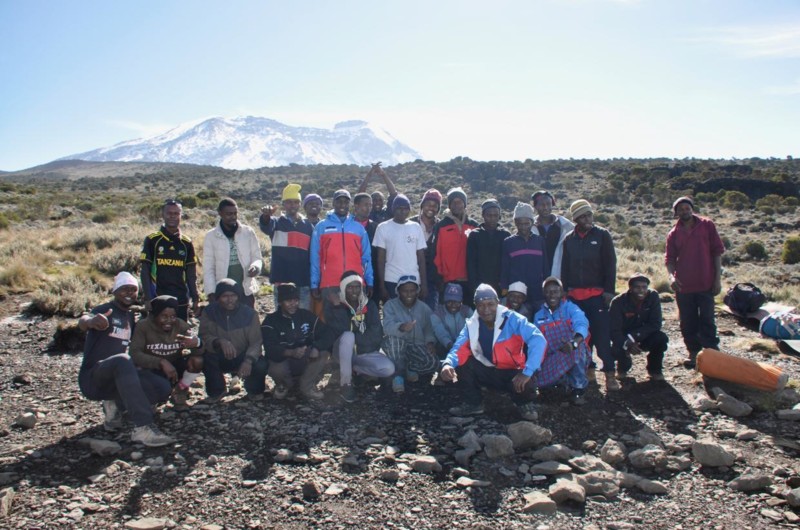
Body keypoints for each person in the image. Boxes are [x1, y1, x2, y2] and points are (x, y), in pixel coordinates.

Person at [78, 272, 175, 447]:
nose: (129, 293)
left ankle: (116, 405)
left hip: (116, 377)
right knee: (123, 360)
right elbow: (84, 320)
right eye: (124, 289)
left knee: (161, 387)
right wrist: (91, 322)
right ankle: (142, 428)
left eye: (133, 289)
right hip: (93, 378)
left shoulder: (129, 316)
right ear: (115, 291)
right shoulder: (105, 310)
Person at [439, 284, 546, 421]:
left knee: (527, 381)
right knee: (462, 364)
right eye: (481, 305)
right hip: (488, 370)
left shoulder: (513, 319)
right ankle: (473, 403)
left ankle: (524, 403)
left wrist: (528, 371)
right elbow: (459, 347)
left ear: (498, 303)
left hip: (512, 371)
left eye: (490, 304)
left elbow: (538, 339)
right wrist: (448, 364)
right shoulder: (472, 324)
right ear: (476, 306)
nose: (486, 310)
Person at [561, 199, 619, 391]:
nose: (587, 219)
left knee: (602, 336)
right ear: (575, 219)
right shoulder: (569, 239)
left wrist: (609, 291)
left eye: (589, 215)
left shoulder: (602, 235)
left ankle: (610, 374)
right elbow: (565, 267)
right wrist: (565, 291)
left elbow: (610, 264)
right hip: (575, 297)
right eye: (582, 216)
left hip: (597, 295)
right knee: (584, 335)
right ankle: (589, 369)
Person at [665, 196, 725, 368]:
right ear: (676, 213)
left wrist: (717, 279)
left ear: (692, 209)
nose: (685, 211)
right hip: (683, 286)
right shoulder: (673, 234)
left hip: (705, 282)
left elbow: (717, 252)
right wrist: (672, 277)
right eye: (680, 209)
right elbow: (670, 259)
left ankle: (712, 352)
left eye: (687, 208)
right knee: (688, 321)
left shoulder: (707, 225)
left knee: (707, 319)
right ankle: (693, 353)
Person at [324, 271, 395, 403]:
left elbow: (376, 334)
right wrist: (338, 307)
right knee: (348, 336)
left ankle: (357, 371)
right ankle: (346, 383)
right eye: (350, 287)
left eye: (357, 287)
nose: (354, 291)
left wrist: (357, 343)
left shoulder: (369, 305)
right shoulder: (334, 305)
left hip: (364, 352)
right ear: (343, 288)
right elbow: (339, 330)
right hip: (342, 353)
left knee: (388, 368)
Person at [129, 295, 203, 411]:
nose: (169, 320)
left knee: (197, 361)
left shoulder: (180, 325)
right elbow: (134, 353)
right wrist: (160, 362)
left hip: (174, 366)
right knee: (163, 389)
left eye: (173, 316)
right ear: (154, 315)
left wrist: (197, 343)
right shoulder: (143, 326)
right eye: (164, 316)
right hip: (150, 368)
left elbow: (199, 351)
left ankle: (179, 391)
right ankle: (151, 399)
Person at [199, 279, 268, 403]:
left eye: (233, 295)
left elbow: (256, 342)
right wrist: (219, 341)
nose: (230, 300)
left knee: (260, 364)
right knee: (204, 358)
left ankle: (254, 390)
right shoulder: (209, 312)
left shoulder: (250, 314)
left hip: (243, 355)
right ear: (218, 297)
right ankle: (217, 390)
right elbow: (203, 336)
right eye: (225, 296)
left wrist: (248, 360)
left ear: (238, 296)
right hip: (219, 355)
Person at [262, 283, 332, 400]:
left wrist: (316, 347)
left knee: (323, 352)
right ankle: (284, 385)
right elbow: (269, 348)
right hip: (284, 360)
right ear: (280, 302)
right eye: (288, 301)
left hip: (306, 357)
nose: (293, 304)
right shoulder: (270, 321)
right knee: (275, 368)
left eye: (296, 300)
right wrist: (290, 352)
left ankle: (307, 386)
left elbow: (327, 333)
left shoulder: (306, 316)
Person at [532, 277, 591, 405]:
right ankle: (564, 382)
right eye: (548, 292)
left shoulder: (571, 308)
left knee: (578, 348)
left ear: (562, 293)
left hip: (572, 349)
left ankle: (578, 388)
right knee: (541, 384)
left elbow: (581, 323)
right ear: (544, 294)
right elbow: (536, 342)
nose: (552, 295)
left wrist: (574, 343)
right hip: (552, 355)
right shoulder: (538, 316)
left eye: (555, 291)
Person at [310, 189, 374, 305]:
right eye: (339, 201)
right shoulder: (321, 226)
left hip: (355, 284)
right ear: (333, 203)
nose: (342, 205)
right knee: (332, 316)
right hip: (330, 284)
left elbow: (366, 258)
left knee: (356, 315)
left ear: (350, 204)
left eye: (346, 202)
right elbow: (315, 258)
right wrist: (314, 283)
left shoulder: (358, 228)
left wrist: (369, 281)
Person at [140, 199, 199, 321]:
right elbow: (145, 271)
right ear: (163, 214)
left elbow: (191, 274)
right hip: (157, 298)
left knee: (181, 331)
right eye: (169, 213)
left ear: (181, 215)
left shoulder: (186, 242)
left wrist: (195, 297)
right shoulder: (152, 240)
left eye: (176, 213)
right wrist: (148, 298)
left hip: (181, 300)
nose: (172, 216)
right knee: (157, 332)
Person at [259, 183, 315, 310]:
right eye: (289, 202)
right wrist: (266, 216)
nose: (292, 205)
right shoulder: (276, 222)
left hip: (303, 281)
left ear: (300, 204)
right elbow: (266, 226)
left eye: (295, 202)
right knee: (282, 316)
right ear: (283, 204)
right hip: (282, 280)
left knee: (302, 316)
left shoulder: (307, 226)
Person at [382, 275, 438, 393]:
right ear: (398, 291)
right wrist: (401, 327)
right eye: (405, 291)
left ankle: (409, 367)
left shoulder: (424, 308)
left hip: (416, 344)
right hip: (397, 344)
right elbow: (386, 327)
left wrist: (430, 342)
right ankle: (398, 376)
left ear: (417, 291)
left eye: (412, 291)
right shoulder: (390, 305)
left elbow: (429, 329)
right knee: (393, 341)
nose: (409, 294)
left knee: (433, 363)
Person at [203, 198, 263, 308]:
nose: (233, 217)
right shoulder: (211, 236)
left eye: (235, 213)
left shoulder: (248, 232)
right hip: (223, 292)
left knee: (248, 317)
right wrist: (211, 292)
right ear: (220, 213)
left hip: (245, 289)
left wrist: (256, 267)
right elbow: (208, 267)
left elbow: (257, 257)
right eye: (229, 214)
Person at [610, 273, 669, 381]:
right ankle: (622, 368)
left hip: (644, 335)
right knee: (616, 348)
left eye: (644, 287)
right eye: (637, 287)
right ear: (630, 288)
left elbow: (656, 323)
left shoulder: (653, 296)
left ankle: (655, 370)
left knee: (661, 339)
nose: (641, 290)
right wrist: (627, 342)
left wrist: (634, 337)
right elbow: (614, 329)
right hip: (624, 338)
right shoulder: (618, 302)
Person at [373, 194, 428, 301]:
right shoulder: (383, 227)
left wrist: (424, 284)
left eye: (405, 208)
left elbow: (421, 258)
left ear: (409, 210)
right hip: (391, 279)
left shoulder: (416, 227)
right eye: (399, 208)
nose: (402, 211)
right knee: (392, 310)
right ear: (393, 209)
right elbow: (380, 259)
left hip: (413, 280)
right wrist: (382, 285)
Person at [431, 187, 479, 300]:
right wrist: (438, 278)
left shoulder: (474, 225)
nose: (456, 205)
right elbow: (435, 253)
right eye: (453, 202)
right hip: (448, 280)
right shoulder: (441, 226)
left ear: (464, 204)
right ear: (449, 205)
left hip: (470, 281)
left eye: (460, 202)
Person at [500, 202, 548, 309]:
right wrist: (504, 288)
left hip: (537, 292)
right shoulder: (508, 242)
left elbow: (545, 267)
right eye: (520, 224)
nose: (523, 227)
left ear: (532, 222)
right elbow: (505, 268)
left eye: (526, 223)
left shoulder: (540, 241)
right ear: (515, 223)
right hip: (517, 293)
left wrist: (546, 285)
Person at [467, 198, 511, 297]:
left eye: (495, 215)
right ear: (483, 215)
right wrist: (473, 286)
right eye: (489, 215)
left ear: (499, 216)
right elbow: (471, 263)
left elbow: (508, 262)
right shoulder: (475, 235)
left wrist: (505, 284)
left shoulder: (505, 235)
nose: (492, 218)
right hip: (479, 285)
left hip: (500, 286)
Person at [410, 188, 443, 310]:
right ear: (422, 205)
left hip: (433, 278)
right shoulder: (410, 224)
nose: (431, 208)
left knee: (430, 313)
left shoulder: (441, 227)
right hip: (410, 275)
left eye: (435, 205)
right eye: (428, 204)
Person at [532, 190, 574, 278]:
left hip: (561, 273)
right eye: (542, 204)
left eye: (548, 204)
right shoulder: (530, 227)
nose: (546, 207)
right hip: (536, 274)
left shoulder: (566, 226)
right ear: (535, 206)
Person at [431, 283, 473, 357]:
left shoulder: (467, 311)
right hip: (445, 346)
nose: (453, 305)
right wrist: (451, 346)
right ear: (444, 300)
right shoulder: (437, 314)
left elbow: (473, 329)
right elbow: (441, 333)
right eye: (449, 301)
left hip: (465, 345)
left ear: (461, 301)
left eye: (457, 302)